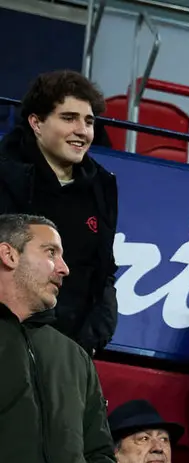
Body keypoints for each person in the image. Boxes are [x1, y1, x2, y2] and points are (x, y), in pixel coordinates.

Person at [0, 213, 119, 463]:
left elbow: (98, 450)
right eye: (51, 252)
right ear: (9, 255)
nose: (64, 268)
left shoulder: (74, 356)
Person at [0, 71, 118, 353]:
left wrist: (90, 340)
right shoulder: (5, 174)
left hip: (69, 349)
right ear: (36, 123)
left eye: (88, 121)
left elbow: (104, 272)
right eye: (69, 118)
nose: (82, 130)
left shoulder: (103, 186)